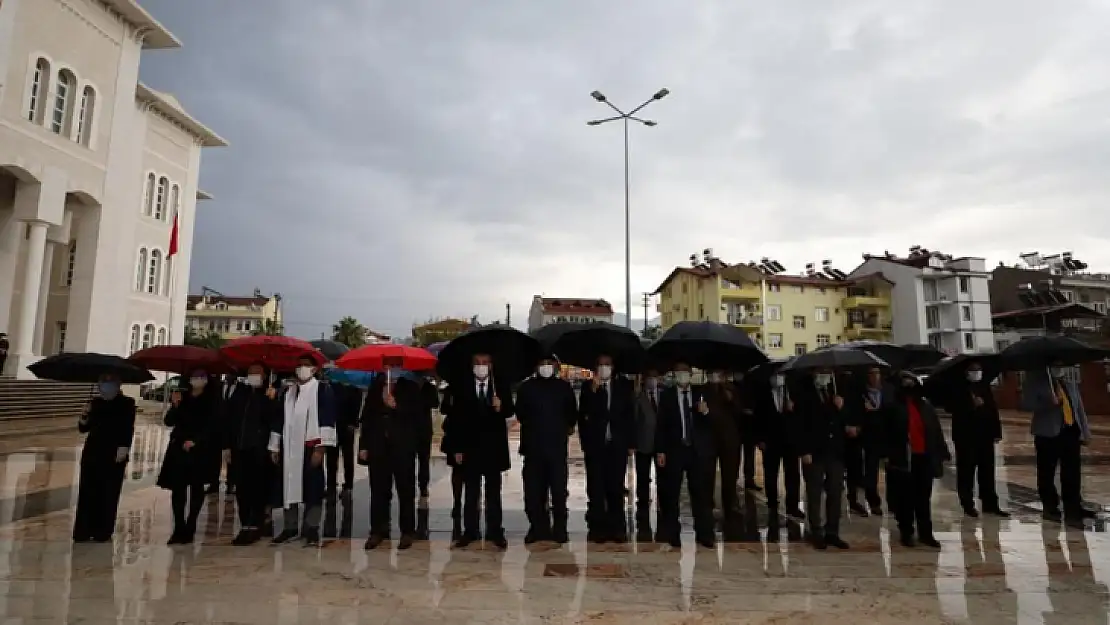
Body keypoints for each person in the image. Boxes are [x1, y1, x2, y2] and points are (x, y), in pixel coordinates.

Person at [446, 353, 514, 549]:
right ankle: (470, 530)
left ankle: (495, 530)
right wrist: (457, 448)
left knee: (493, 492)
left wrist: (501, 406)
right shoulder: (462, 387)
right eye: (477, 363)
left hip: (493, 449)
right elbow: (456, 420)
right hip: (470, 448)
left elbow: (510, 411)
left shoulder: (500, 386)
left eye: (485, 363)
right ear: (472, 365)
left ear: (491, 366)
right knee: (471, 492)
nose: (481, 366)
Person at [269, 353, 337, 546]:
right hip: (289, 445)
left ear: (314, 369)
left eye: (306, 365)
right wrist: (274, 445)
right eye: (299, 365)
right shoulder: (288, 391)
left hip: (310, 446)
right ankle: (290, 527)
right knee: (288, 484)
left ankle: (311, 527)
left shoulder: (321, 389)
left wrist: (321, 447)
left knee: (312, 488)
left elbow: (327, 418)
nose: (301, 369)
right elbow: (279, 419)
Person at [880, 371, 950, 548]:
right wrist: (886, 454)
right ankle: (906, 531)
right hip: (903, 458)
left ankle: (926, 533)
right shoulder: (892, 407)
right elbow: (883, 432)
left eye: (911, 381)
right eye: (905, 382)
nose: (909, 385)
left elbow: (935, 429)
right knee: (905, 498)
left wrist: (942, 452)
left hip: (924, 456)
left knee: (923, 497)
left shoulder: (925, 406)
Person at [516, 355, 577, 544]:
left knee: (559, 492)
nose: (545, 367)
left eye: (549, 364)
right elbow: (520, 413)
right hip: (533, 448)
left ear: (556, 366)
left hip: (557, 449)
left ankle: (560, 529)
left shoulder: (564, 387)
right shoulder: (526, 388)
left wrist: (562, 427)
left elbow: (572, 414)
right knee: (534, 493)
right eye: (542, 363)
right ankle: (537, 528)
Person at [360, 363, 422, 550]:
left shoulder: (410, 387)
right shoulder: (375, 387)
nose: (390, 369)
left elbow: (417, 417)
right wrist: (364, 446)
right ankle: (378, 530)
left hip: (402, 447)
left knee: (406, 490)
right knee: (379, 490)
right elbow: (367, 418)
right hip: (378, 447)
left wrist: (396, 406)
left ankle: (407, 531)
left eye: (394, 365)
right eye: (387, 365)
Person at [1025, 362, 1094, 524]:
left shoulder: (1070, 384)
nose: (1059, 368)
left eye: (1061, 364)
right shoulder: (1037, 383)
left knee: (1072, 473)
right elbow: (1025, 404)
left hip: (1070, 432)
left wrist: (1085, 432)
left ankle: (1074, 507)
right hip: (1047, 435)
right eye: (1056, 365)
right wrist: (1049, 402)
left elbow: (1079, 409)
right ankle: (1050, 507)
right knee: (1047, 473)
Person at [655, 362, 715, 548]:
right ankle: (673, 533)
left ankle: (705, 533)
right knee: (672, 494)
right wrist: (661, 450)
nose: (682, 375)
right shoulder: (666, 396)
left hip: (696, 451)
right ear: (674, 375)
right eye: (679, 372)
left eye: (685, 372)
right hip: (675, 449)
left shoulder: (701, 394)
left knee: (700, 494)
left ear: (691, 374)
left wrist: (705, 412)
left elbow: (711, 424)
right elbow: (661, 425)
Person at [578, 354, 635, 544]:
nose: (604, 368)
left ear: (613, 367)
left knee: (616, 487)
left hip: (617, 444)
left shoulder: (624, 387)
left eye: (607, 365)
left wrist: (630, 443)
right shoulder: (588, 388)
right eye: (601, 365)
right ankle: (597, 528)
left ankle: (617, 528)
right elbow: (584, 417)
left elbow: (629, 415)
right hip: (596, 446)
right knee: (596, 487)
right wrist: (594, 392)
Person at [796, 368, 855, 550]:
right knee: (814, 493)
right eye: (822, 372)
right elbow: (800, 423)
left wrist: (841, 407)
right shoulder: (804, 393)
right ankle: (816, 531)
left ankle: (832, 532)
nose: (825, 376)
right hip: (814, 452)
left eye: (828, 372)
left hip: (835, 451)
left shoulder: (836, 393)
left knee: (835, 492)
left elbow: (846, 422)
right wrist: (804, 450)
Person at [72, 374, 136, 542]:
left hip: (113, 455)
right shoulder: (95, 403)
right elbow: (83, 428)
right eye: (103, 382)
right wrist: (84, 416)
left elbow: (128, 427)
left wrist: (124, 447)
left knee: (108, 494)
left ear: (118, 384)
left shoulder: (127, 403)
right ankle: (83, 530)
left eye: (109, 382)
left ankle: (103, 530)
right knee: (87, 493)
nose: (105, 386)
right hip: (92, 453)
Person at [158, 369, 218, 544]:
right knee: (178, 489)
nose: (197, 380)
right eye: (194, 377)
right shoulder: (182, 397)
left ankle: (191, 525)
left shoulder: (211, 400)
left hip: (199, 449)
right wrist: (175, 406)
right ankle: (179, 527)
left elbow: (212, 425)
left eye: (201, 377)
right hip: (179, 448)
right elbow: (169, 421)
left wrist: (197, 441)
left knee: (196, 488)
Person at [222, 363, 279, 545]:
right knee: (242, 489)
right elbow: (230, 420)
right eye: (250, 372)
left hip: (260, 450)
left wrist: (271, 400)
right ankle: (245, 523)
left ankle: (256, 525)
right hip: (240, 448)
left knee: (258, 489)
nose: (253, 375)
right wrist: (227, 446)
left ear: (264, 375)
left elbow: (274, 422)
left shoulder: (269, 395)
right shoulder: (241, 393)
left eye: (257, 372)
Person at [947, 361, 1008, 518]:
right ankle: (967, 504)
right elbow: (952, 408)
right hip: (966, 437)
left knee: (987, 470)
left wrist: (996, 432)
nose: (977, 373)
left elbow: (992, 409)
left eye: (979, 370)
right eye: (973, 370)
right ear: (967, 372)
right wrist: (971, 404)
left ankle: (990, 503)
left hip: (985, 436)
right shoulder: (958, 388)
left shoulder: (984, 387)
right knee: (966, 471)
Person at [754, 372, 803, 522]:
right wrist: (760, 439)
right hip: (770, 441)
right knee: (770, 473)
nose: (777, 378)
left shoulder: (793, 393)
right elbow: (757, 417)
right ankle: (772, 503)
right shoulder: (763, 394)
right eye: (774, 375)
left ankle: (793, 506)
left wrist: (794, 408)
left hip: (790, 440)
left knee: (793, 474)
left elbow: (803, 416)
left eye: (780, 375)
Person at [703, 369, 745, 540]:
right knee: (707, 476)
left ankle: (729, 508)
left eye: (719, 373)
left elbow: (741, 413)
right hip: (710, 440)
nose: (716, 376)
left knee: (729, 477)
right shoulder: (703, 390)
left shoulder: (732, 390)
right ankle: (707, 509)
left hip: (730, 441)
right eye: (713, 373)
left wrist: (732, 399)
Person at [847, 365, 893, 516]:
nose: (875, 377)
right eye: (871, 374)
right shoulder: (860, 393)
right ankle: (871, 502)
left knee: (889, 470)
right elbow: (853, 412)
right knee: (868, 471)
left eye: (877, 373)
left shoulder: (887, 391)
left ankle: (892, 503)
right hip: (865, 436)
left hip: (884, 436)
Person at [632, 368, 662, 542]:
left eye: (654, 376)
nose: (652, 379)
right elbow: (635, 420)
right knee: (643, 477)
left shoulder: (664, 394)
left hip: (661, 445)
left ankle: (661, 502)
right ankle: (642, 503)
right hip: (643, 444)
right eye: (649, 376)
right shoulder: (638, 396)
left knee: (662, 476)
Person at [326, 380, 361, 499]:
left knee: (347, 456)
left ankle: (348, 486)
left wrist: (353, 422)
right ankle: (331, 485)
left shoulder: (353, 383)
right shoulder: (330, 384)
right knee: (331, 457)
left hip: (347, 425)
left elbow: (357, 401)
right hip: (332, 425)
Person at [415, 375, 440, 500]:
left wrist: (434, 390)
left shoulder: (430, 388)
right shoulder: (407, 386)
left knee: (424, 459)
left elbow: (435, 404)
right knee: (408, 459)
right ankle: (410, 485)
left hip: (424, 428)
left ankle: (423, 485)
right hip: (410, 429)